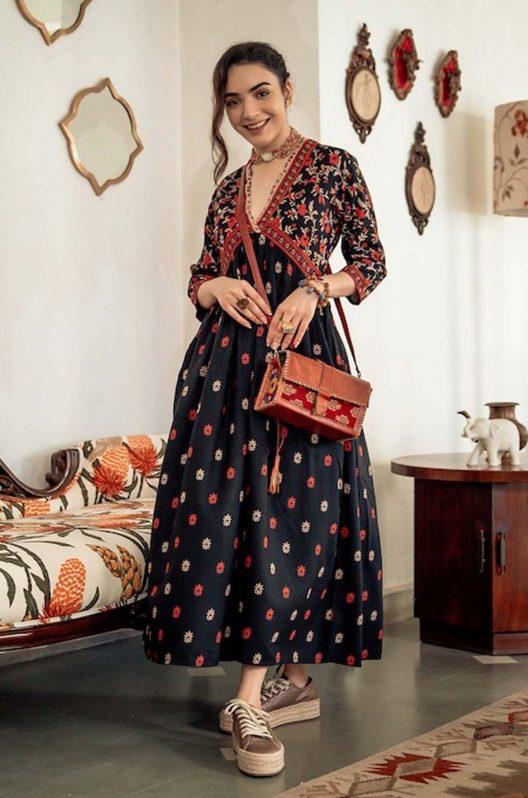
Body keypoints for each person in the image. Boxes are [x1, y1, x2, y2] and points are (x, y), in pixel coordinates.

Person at [144, 41, 386, 778]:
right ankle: (293, 681)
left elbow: (370, 263)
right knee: (234, 516)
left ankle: (248, 700)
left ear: (287, 89)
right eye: (233, 101)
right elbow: (201, 274)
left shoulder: (333, 167)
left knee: (292, 518)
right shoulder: (227, 189)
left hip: (302, 372)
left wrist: (315, 289)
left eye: (260, 94)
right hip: (223, 375)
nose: (248, 112)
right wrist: (213, 289)